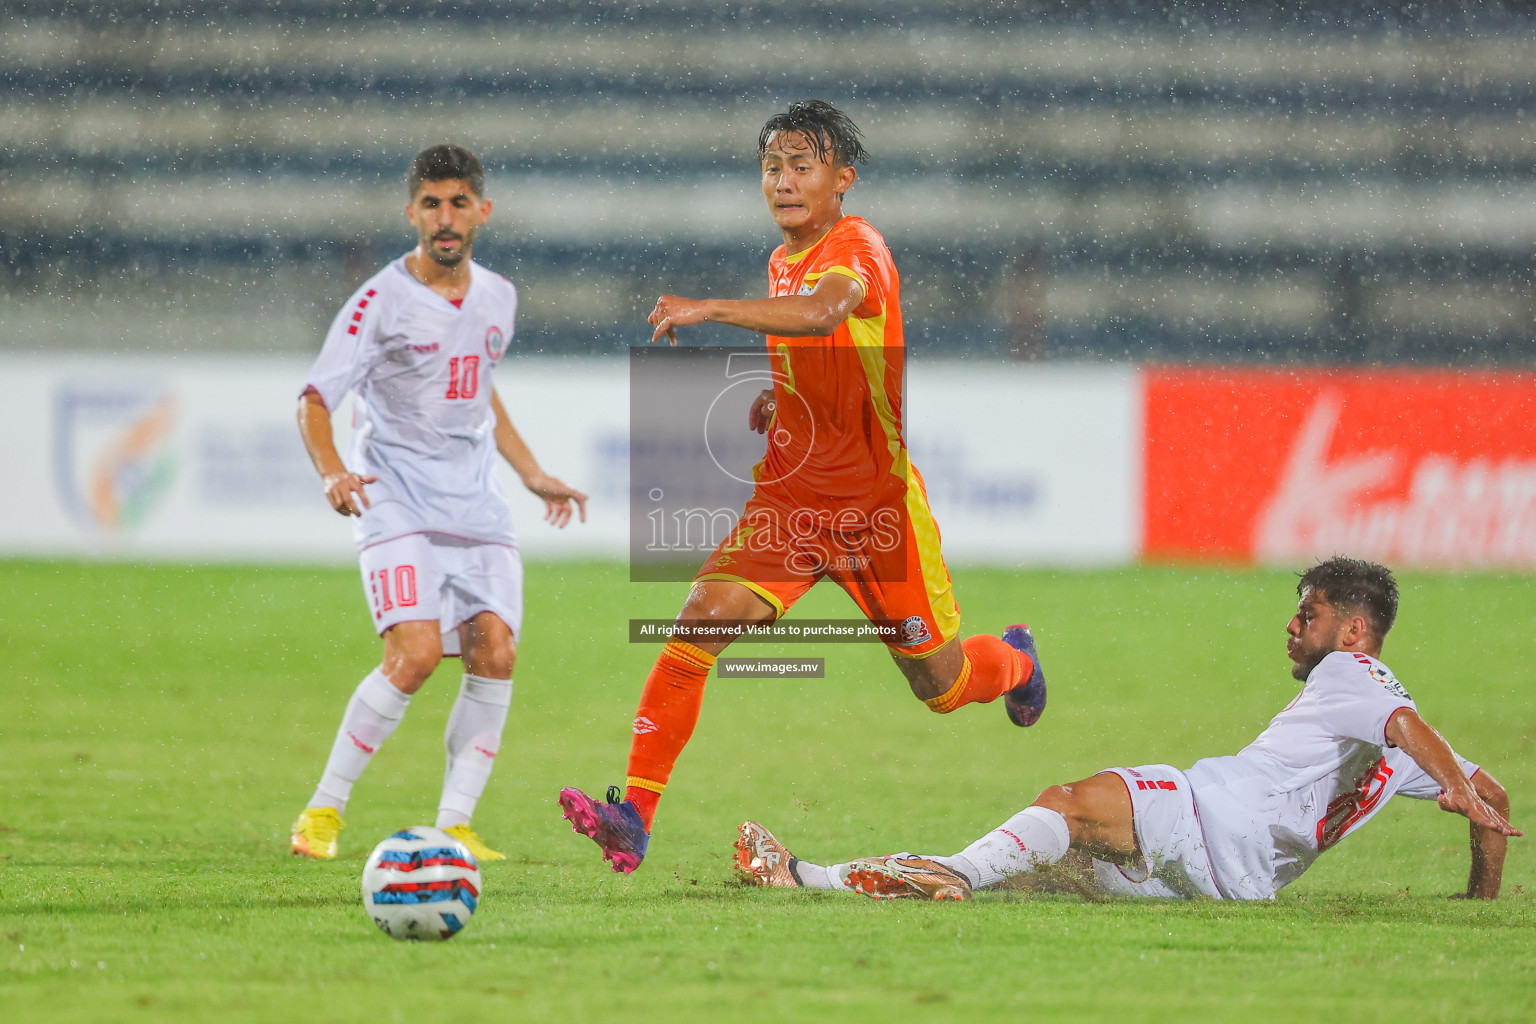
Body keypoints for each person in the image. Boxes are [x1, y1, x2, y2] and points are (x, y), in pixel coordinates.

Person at [559, 100, 1045, 875]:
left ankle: (1016, 661)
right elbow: (817, 341)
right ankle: (633, 815)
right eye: (771, 167)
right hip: (789, 505)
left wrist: (709, 308)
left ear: (842, 179)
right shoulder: (783, 258)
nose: (782, 182)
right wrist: (781, 394)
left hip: (876, 512)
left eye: (801, 166)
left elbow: (825, 314)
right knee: (695, 626)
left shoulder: (860, 250)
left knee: (942, 685)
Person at [733, 558, 1519, 901]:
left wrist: (1451, 783)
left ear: (1353, 631)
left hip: (1204, 814)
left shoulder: (1353, 677)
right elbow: (1495, 796)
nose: (1291, 626)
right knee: (1033, 878)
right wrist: (1476, 895)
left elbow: (1405, 721)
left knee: (1065, 802)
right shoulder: (1394, 746)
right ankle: (809, 877)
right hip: (1237, 887)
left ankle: (950, 875)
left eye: (1307, 614)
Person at [289, 144, 588, 862]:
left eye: (458, 203)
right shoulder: (378, 301)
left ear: (482, 211)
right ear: (411, 213)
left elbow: (480, 386)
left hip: (475, 502)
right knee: (418, 653)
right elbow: (315, 398)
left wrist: (531, 472)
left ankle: (454, 823)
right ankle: (322, 813)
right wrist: (333, 471)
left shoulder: (499, 297)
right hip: (394, 496)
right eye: (431, 204)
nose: (445, 218)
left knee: (496, 651)